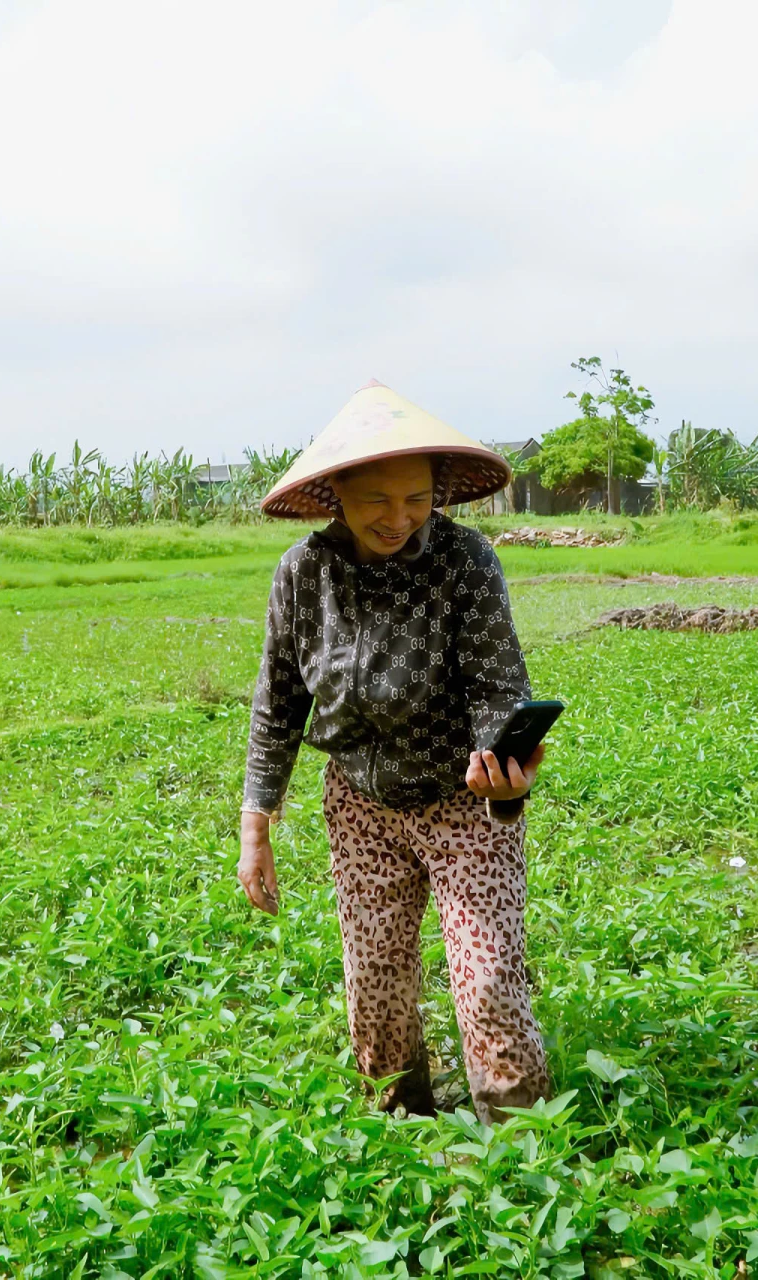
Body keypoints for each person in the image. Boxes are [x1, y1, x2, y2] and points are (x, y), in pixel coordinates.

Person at [237, 380, 551, 1121]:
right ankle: (401, 1123)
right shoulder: (302, 575)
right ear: (335, 493)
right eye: (377, 499)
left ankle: (520, 1136)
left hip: (462, 803)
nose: (400, 517)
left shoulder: (465, 561)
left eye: (416, 498)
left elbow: (497, 685)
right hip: (360, 805)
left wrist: (501, 776)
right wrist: (257, 822)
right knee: (374, 976)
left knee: (488, 978)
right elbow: (279, 698)